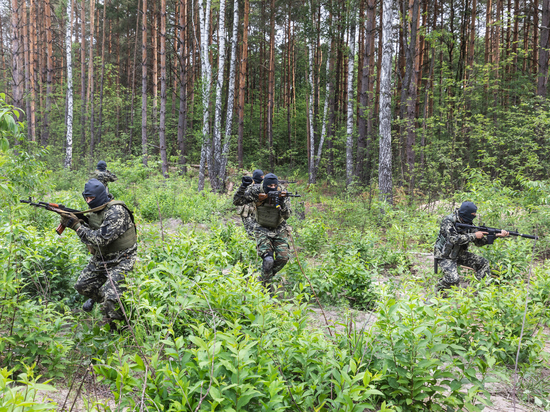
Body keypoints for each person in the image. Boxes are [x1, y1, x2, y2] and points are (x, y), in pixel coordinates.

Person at [60, 178, 137, 329]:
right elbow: (93, 226)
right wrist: (78, 220)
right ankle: (108, 302)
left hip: (123, 258)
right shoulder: (96, 211)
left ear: (101, 196)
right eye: (86, 198)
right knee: (82, 285)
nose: (88, 201)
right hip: (102, 257)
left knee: (111, 296)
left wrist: (77, 226)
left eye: (92, 198)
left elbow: (100, 240)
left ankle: (120, 327)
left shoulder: (116, 211)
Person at [233, 173, 292, 294]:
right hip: (261, 228)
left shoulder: (283, 192)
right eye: (270, 185)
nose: (273, 187)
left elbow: (287, 215)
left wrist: (281, 203)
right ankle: (266, 289)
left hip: (279, 228)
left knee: (283, 258)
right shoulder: (255, 191)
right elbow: (237, 201)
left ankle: (263, 278)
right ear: (264, 185)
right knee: (268, 260)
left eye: (275, 185)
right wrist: (243, 187)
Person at [434, 201, 509, 293]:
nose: (473, 217)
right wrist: (474, 235)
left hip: (459, 253)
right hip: (444, 255)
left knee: (483, 263)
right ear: (465, 213)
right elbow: (454, 239)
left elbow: (479, 243)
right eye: (472, 215)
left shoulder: (469, 223)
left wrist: (495, 235)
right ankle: (438, 291)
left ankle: (481, 292)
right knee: (453, 279)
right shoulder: (449, 221)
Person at [235, 169, 263, 238]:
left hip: (253, 212)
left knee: (252, 233)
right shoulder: (255, 187)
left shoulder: (251, 187)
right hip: (250, 212)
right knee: (253, 233)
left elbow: (237, 200)